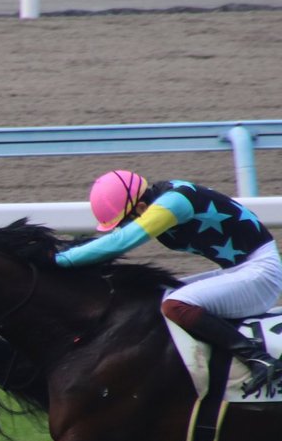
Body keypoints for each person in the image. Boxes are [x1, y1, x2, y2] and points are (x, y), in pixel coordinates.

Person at [56, 170, 282, 397]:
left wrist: (60, 261)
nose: (123, 227)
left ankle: (259, 359)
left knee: (175, 305)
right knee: (153, 297)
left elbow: (119, 243)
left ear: (141, 208)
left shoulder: (174, 203)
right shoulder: (164, 197)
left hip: (262, 273)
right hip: (242, 269)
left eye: (125, 221)